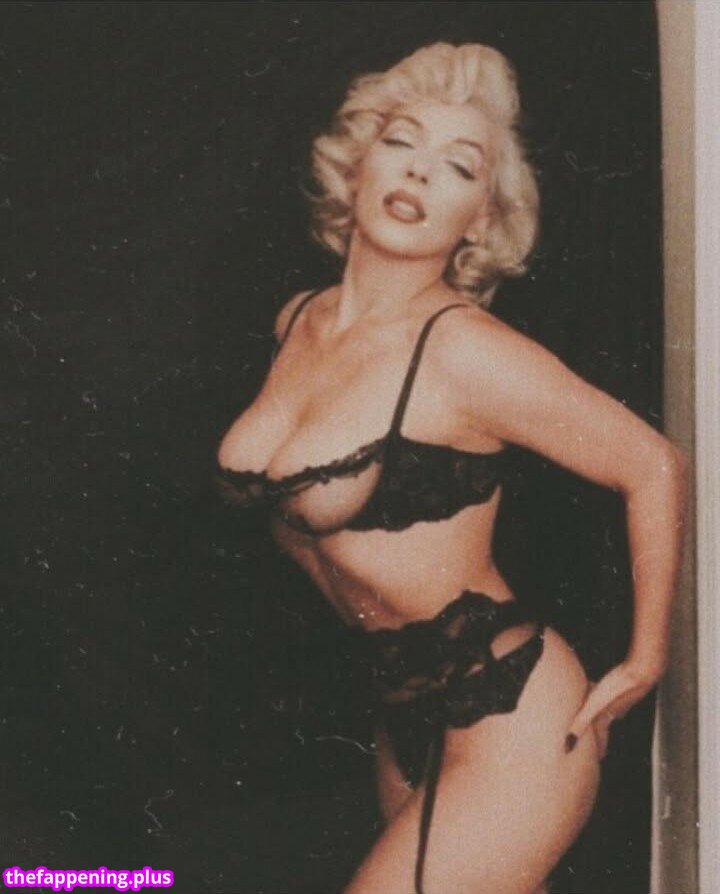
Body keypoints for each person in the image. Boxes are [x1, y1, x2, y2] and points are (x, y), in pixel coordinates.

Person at [215, 42, 687, 894]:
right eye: (401, 142)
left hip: (510, 712)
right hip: (403, 718)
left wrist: (644, 659)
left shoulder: (465, 351)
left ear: (479, 220)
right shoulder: (300, 321)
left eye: (459, 166)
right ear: (356, 167)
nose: (419, 172)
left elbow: (651, 463)